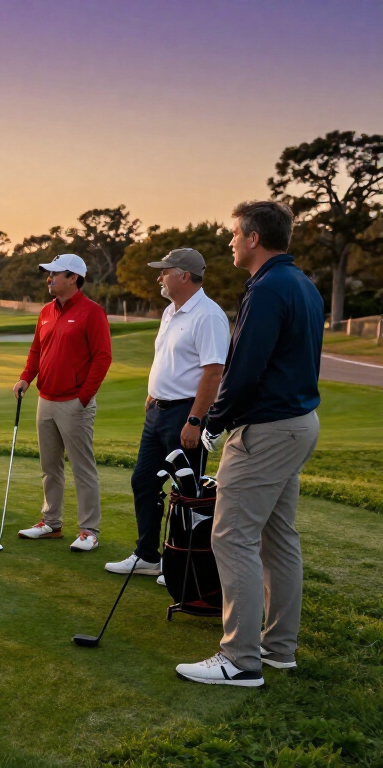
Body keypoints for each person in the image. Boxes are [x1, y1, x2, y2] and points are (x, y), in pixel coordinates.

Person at [176, 200, 323, 688]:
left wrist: (214, 422)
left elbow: (243, 372)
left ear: (254, 237)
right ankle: (278, 648)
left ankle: (239, 660)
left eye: (235, 234)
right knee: (278, 538)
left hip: (267, 430)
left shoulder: (266, 289)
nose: (230, 241)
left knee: (232, 535)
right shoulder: (302, 284)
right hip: (299, 423)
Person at [105, 248, 228, 582]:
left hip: (185, 416)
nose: (159, 277)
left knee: (187, 494)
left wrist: (195, 420)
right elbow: (168, 358)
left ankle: (184, 563)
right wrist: (153, 392)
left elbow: (213, 373)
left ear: (184, 275)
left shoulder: (209, 315)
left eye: (165, 271)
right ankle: (147, 556)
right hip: (158, 412)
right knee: (144, 482)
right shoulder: (170, 312)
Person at [13, 253, 112, 552]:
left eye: (55, 273)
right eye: (49, 273)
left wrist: (84, 396)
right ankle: (51, 522)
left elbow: (102, 357)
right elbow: (36, 351)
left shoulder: (92, 312)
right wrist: (25, 378)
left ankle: (89, 531)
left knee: (82, 468)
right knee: (49, 466)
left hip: (75, 403)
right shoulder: (45, 311)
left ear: (73, 278)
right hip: (46, 399)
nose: (49, 278)